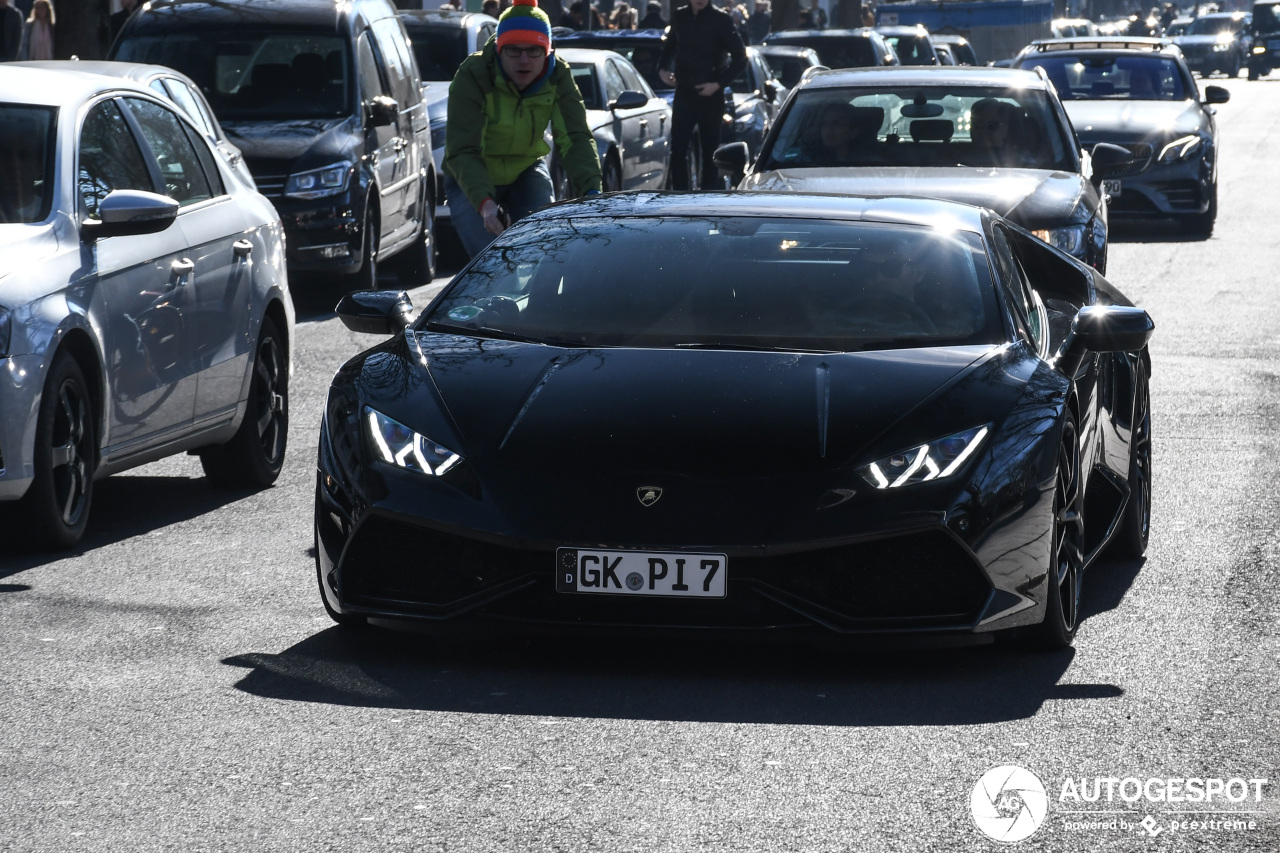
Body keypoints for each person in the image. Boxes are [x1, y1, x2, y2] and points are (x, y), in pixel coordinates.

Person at [443, 0, 602, 258]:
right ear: (498, 50)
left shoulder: (558, 74)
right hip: (471, 177)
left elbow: (575, 137)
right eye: (513, 50)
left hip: (525, 169)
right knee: (489, 261)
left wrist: (593, 192)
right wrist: (485, 204)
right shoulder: (473, 74)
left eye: (534, 50)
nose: (524, 60)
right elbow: (463, 150)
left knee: (541, 248)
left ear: (548, 52)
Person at [658, 0, 746, 190]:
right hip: (684, 92)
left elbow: (741, 59)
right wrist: (663, 69)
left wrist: (717, 84)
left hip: (710, 95)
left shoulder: (721, 20)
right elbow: (669, 46)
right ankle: (680, 194)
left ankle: (707, 196)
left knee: (710, 153)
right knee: (678, 148)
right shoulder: (680, 16)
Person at [967, 98, 1033, 167]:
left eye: (992, 125)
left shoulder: (1026, 165)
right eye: (977, 124)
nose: (984, 130)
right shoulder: (957, 159)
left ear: (1006, 129)